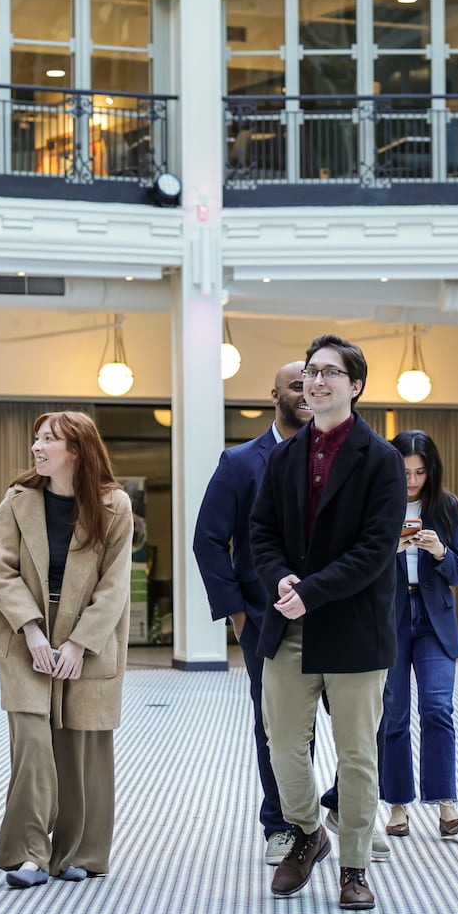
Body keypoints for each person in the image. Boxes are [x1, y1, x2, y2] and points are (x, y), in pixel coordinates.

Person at [249, 334, 405, 911]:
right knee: (283, 743)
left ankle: (355, 865)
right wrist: (281, 581)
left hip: (355, 628)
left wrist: (310, 591)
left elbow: (374, 549)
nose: (316, 381)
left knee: (357, 753)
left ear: (355, 386)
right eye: (312, 372)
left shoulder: (382, 459)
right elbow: (260, 533)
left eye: (331, 373)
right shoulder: (283, 456)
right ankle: (308, 831)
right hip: (288, 623)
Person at [0, 411, 133, 889]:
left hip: (89, 639)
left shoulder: (114, 506)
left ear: (77, 450)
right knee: (31, 743)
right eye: (37, 438)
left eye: (50, 439)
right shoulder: (16, 501)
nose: (38, 447)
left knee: (82, 745)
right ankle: (28, 853)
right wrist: (31, 630)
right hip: (24, 632)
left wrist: (78, 642)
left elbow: (115, 586)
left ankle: (79, 852)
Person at [192, 360, 313, 866]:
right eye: (296, 386)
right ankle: (281, 824)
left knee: (358, 723)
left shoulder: (346, 459)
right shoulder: (241, 463)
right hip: (266, 620)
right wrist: (236, 614)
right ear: (274, 394)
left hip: (336, 615)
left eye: (314, 384)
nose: (307, 393)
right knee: (274, 726)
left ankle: (334, 809)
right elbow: (208, 541)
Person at [379, 430, 458, 841]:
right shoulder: (377, 502)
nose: (412, 480)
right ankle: (398, 805)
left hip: (434, 619)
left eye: (420, 472)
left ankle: (445, 803)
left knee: (437, 709)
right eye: (405, 471)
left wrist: (439, 552)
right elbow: (359, 567)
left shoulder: (445, 506)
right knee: (393, 715)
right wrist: (391, 552)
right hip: (390, 619)